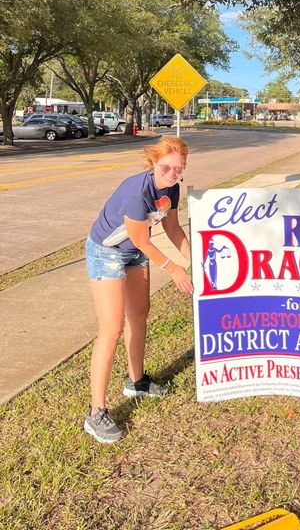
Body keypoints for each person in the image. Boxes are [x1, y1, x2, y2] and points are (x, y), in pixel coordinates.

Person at [83, 135, 194, 443]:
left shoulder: (172, 187)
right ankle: (96, 412)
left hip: (133, 252)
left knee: (140, 314)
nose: (172, 174)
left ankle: (136, 381)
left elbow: (172, 228)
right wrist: (174, 269)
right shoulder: (136, 192)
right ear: (152, 163)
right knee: (111, 329)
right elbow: (143, 239)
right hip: (107, 252)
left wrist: (195, 260)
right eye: (165, 167)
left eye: (179, 168)